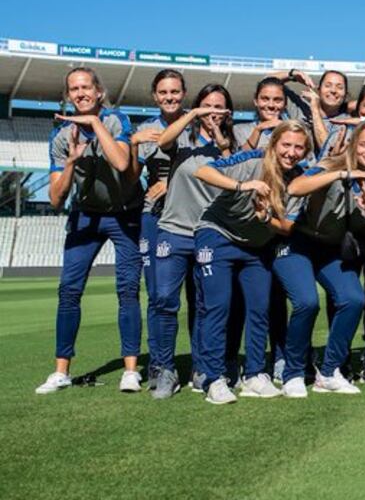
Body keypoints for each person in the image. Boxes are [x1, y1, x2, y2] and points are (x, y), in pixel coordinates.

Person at [36, 67, 144, 395]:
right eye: (74, 89)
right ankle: (61, 371)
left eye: (86, 87)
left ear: (98, 92)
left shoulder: (115, 120)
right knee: (69, 290)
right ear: (68, 95)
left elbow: (123, 163)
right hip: (85, 216)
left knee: (127, 290)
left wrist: (95, 124)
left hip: (125, 214)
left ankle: (130, 371)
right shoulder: (60, 137)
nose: (80, 93)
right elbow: (56, 198)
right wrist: (70, 161)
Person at [277, 120, 365, 396]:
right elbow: (296, 187)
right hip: (298, 242)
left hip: (330, 249)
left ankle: (330, 371)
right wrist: (340, 174)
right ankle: (293, 373)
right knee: (307, 302)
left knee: (353, 299)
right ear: (355, 145)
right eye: (364, 144)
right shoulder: (332, 163)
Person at [192, 121, 310, 404]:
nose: (291, 152)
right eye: (286, 144)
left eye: (299, 147)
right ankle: (213, 378)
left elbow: (288, 226)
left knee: (259, 309)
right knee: (218, 306)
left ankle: (255, 374)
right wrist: (244, 186)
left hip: (256, 247)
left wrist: (265, 218)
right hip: (216, 235)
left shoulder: (299, 178)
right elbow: (202, 171)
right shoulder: (252, 159)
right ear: (274, 144)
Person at [148, 84, 236, 399]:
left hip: (208, 233)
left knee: (204, 305)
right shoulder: (183, 136)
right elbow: (164, 141)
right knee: (164, 300)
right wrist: (194, 115)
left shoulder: (232, 143)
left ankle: (202, 368)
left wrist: (224, 145)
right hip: (173, 230)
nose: (214, 111)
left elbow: (234, 177)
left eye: (220, 107)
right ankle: (164, 369)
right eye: (208, 105)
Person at [129, 69, 191, 389]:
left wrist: (172, 182)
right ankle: (160, 365)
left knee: (200, 297)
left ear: (184, 93)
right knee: (158, 296)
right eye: (164, 92)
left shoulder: (195, 127)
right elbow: (130, 177)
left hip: (192, 218)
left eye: (175, 92)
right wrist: (133, 145)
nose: (170, 97)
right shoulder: (145, 129)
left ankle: (203, 364)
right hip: (153, 217)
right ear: (155, 96)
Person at [235, 77, 288, 151]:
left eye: (277, 100)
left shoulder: (294, 132)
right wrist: (258, 129)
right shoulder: (240, 130)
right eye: (265, 99)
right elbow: (237, 160)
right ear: (256, 101)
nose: (271, 105)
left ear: (285, 104)